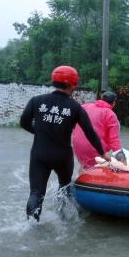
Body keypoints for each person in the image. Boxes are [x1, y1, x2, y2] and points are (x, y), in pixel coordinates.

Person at [20, 65, 109, 221]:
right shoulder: (75, 107)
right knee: (64, 189)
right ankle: (64, 220)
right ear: (71, 85)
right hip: (63, 156)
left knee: (36, 193)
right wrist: (103, 153)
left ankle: (31, 227)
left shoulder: (36, 101)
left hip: (39, 154)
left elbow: (24, 122)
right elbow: (90, 133)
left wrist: (40, 133)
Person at [72, 91, 122, 169]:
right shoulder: (110, 114)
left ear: (101, 99)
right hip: (95, 148)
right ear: (114, 103)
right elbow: (114, 141)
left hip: (77, 146)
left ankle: (81, 176)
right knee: (103, 168)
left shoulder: (84, 106)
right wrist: (121, 159)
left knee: (85, 166)